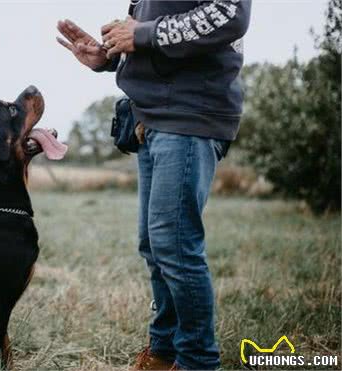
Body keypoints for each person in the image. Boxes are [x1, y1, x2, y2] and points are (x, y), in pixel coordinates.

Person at [56, 1, 251, 370]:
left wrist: (140, 33)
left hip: (189, 115)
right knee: (156, 245)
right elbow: (159, 40)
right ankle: (163, 353)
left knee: (175, 247)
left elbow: (229, 14)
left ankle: (198, 362)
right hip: (153, 116)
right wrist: (110, 57)